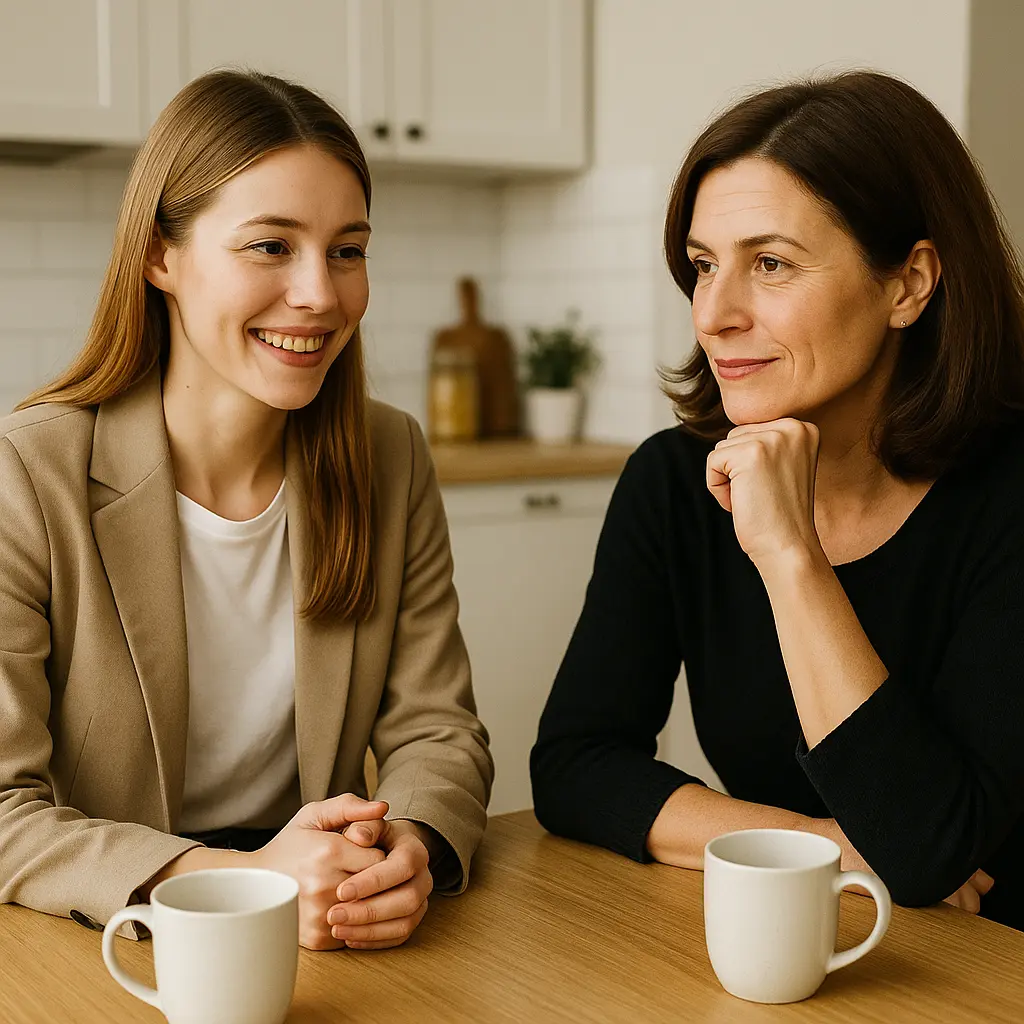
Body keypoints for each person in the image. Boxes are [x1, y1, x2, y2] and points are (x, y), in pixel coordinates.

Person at [0, 70, 493, 952]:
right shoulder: (27, 474)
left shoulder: (390, 457)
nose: (320, 294)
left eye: (348, 250)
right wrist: (236, 882)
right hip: (103, 938)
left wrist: (408, 848)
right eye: (271, 246)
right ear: (161, 257)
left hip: (318, 931)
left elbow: (436, 727)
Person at [531, 70, 1024, 930]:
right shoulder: (673, 483)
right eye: (702, 265)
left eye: (770, 264)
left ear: (908, 283)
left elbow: (930, 847)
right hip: (811, 938)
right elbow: (575, 764)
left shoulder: (1009, 498)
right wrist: (814, 843)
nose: (713, 312)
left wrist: (789, 555)